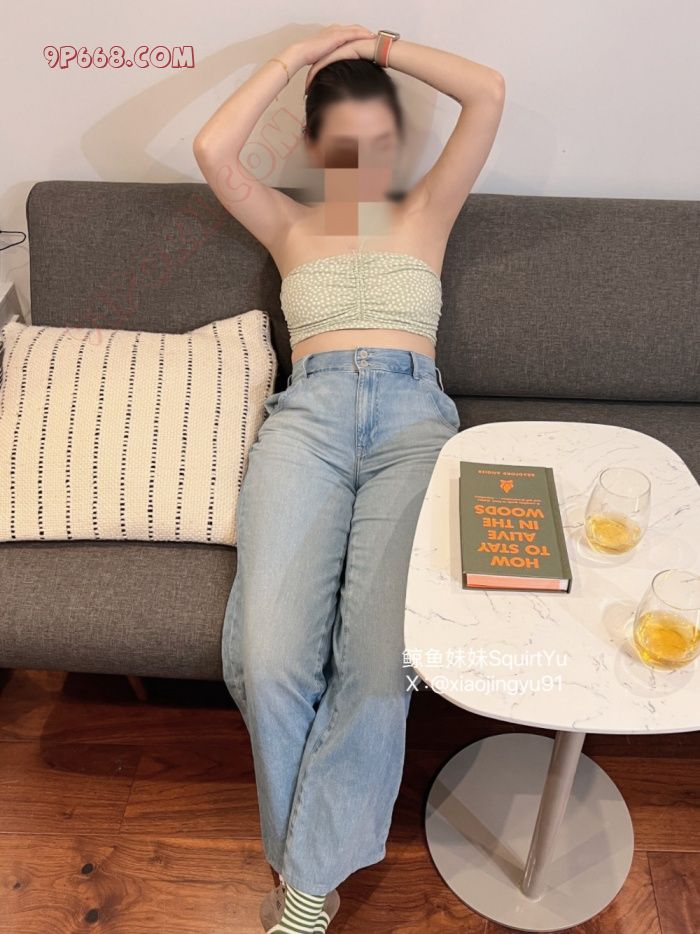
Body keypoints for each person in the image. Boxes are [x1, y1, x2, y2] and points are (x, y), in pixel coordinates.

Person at [193, 24, 505, 933]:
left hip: (414, 428)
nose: (364, 158)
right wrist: (295, 58)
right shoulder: (286, 223)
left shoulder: (429, 210)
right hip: (309, 424)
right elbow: (212, 149)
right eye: (342, 141)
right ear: (312, 144)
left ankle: (303, 889)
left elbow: (486, 91)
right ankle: (314, 863)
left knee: (378, 666)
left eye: (379, 138)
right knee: (265, 660)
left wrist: (382, 46)